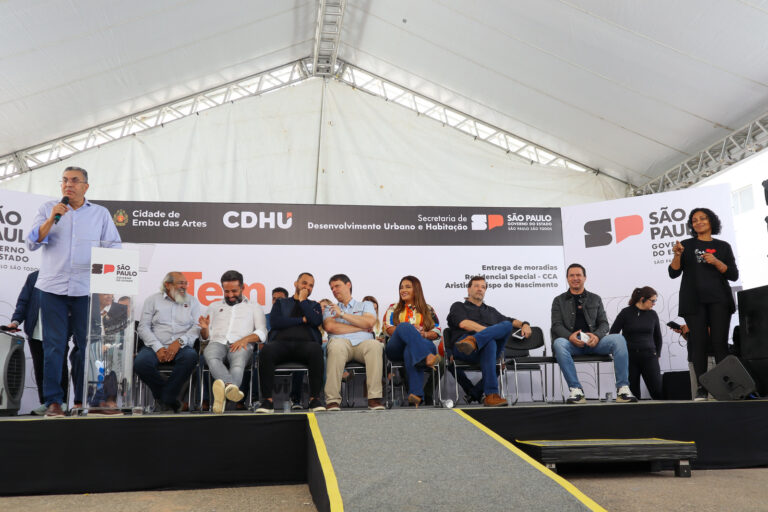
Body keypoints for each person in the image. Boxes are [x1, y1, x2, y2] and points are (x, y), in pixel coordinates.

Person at [26, 166, 121, 418]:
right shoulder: (48, 208)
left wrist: (104, 272)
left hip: (86, 290)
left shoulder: (100, 213)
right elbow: (32, 242)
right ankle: (54, 402)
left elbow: (114, 248)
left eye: (75, 180)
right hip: (52, 289)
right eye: (65, 180)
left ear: (85, 186)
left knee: (90, 347)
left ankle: (91, 400)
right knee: (54, 347)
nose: (68, 184)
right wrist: (52, 219)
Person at [669, 207, 739, 401]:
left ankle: (726, 386)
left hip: (719, 300)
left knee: (720, 344)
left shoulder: (723, 246)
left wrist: (716, 262)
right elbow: (673, 272)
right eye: (694, 220)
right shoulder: (686, 245)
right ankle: (702, 388)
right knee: (698, 343)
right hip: (693, 301)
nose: (698, 222)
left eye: (703, 218)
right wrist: (677, 255)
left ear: (711, 221)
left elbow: (733, 275)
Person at [551, 263, 637, 404]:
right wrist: (570, 337)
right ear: (567, 278)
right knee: (559, 343)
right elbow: (556, 325)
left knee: (618, 339)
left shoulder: (595, 298)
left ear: (585, 277)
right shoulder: (558, 301)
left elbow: (604, 323)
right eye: (571, 275)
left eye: (578, 275)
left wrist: (596, 336)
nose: (575, 278)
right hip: (572, 344)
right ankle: (576, 391)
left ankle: (623, 389)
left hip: (595, 343)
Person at [447, 276, 531, 407]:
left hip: (486, 350)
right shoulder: (458, 306)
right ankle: (491, 395)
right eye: (476, 286)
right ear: (468, 289)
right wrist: (491, 332)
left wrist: (525, 324)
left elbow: (511, 321)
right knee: (490, 341)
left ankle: (475, 340)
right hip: (464, 348)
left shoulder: (491, 311)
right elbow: (464, 324)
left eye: (483, 287)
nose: (480, 289)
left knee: (506, 326)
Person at [199, 270, 266, 414]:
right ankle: (230, 388)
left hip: (241, 344)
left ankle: (222, 395)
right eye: (226, 291)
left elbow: (262, 332)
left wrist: (244, 339)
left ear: (243, 287)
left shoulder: (254, 306)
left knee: (238, 362)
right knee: (210, 356)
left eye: (234, 291)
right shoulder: (213, 306)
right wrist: (204, 329)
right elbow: (205, 337)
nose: (230, 295)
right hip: (217, 342)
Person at [257, 272, 325, 413]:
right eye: (304, 283)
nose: (307, 287)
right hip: (281, 344)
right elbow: (276, 322)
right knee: (266, 350)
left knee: (317, 350)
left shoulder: (314, 305)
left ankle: (314, 399)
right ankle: (267, 401)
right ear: (296, 284)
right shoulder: (281, 303)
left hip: (306, 345)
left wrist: (303, 301)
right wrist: (302, 320)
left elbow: (315, 321)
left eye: (311, 285)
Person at [4, 271, 69, 415]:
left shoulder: (65, 276)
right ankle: (46, 403)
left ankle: (61, 402)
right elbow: (23, 301)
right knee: (40, 368)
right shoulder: (34, 277)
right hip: (35, 331)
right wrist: (15, 321)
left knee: (59, 367)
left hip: (58, 332)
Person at [135, 272, 200, 413]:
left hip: (182, 347)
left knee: (191, 357)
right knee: (140, 363)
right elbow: (143, 327)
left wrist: (179, 342)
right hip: (154, 346)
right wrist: (158, 347)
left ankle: (165, 399)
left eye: (185, 283)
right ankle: (170, 399)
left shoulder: (193, 301)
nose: (184, 286)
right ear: (168, 285)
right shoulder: (152, 300)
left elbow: (197, 327)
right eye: (180, 283)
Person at [323, 274, 385, 411]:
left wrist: (342, 315)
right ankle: (332, 400)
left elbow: (369, 322)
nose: (334, 290)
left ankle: (374, 398)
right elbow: (331, 327)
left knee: (375, 345)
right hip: (341, 343)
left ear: (348, 285)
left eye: (337, 286)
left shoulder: (366, 305)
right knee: (335, 346)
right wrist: (360, 326)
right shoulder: (329, 308)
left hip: (364, 344)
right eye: (332, 288)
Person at [383, 276, 442, 407]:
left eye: (407, 287)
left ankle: (416, 395)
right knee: (404, 326)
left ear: (416, 289)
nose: (403, 290)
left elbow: (437, 330)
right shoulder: (393, 308)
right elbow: (389, 328)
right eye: (401, 287)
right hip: (396, 347)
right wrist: (410, 330)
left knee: (411, 350)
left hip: (421, 343)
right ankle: (427, 356)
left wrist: (424, 334)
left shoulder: (428, 309)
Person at [609, 287, 663, 400]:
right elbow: (613, 334)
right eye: (652, 300)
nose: (654, 303)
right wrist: (618, 353)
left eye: (655, 301)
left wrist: (657, 354)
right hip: (629, 358)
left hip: (649, 356)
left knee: (657, 390)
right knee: (632, 393)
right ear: (642, 299)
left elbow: (658, 337)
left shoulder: (653, 314)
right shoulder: (625, 313)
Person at [87, 293, 129, 414]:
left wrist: (107, 345)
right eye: (105, 293)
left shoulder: (118, 311)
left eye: (110, 294)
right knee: (83, 357)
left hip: (111, 348)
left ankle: (110, 399)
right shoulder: (89, 308)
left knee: (112, 358)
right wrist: (97, 345)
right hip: (90, 347)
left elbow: (120, 336)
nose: (109, 296)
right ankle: (92, 401)